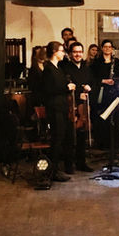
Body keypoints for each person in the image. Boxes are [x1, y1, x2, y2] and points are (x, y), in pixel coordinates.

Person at [42, 41, 76, 181]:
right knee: (56, 139)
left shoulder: (58, 68)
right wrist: (67, 88)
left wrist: (68, 85)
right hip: (54, 108)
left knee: (62, 139)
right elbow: (49, 90)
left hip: (62, 107)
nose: (63, 53)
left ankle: (56, 169)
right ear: (55, 52)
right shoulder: (48, 69)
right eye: (61, 51)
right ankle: (52, 171)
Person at [60, 41, 95, 171]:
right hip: (71, 106)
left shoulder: (87, 68)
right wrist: (78, 93)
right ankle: (69, 164)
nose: (78, 54)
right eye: (75, 52)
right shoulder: (65, 68)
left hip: (84, 107)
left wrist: (89, 87)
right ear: (70, 54)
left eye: (80, 52)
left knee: (82, 135)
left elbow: (92, 82)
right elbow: (65, 86)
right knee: (69, 136)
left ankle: (81, 162)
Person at [90, 39, 119, 148]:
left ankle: (114, 143)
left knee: (114, 117)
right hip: (101, 93)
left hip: (113, 93)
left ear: (112, 49)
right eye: (105, 47)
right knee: (101, 116)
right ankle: (101, 143)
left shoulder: (117, 62)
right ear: (102, 48)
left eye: (110, 47)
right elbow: (92, 78)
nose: (107, 49)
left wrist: (115, 81)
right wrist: (103, 81)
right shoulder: (96, 62)